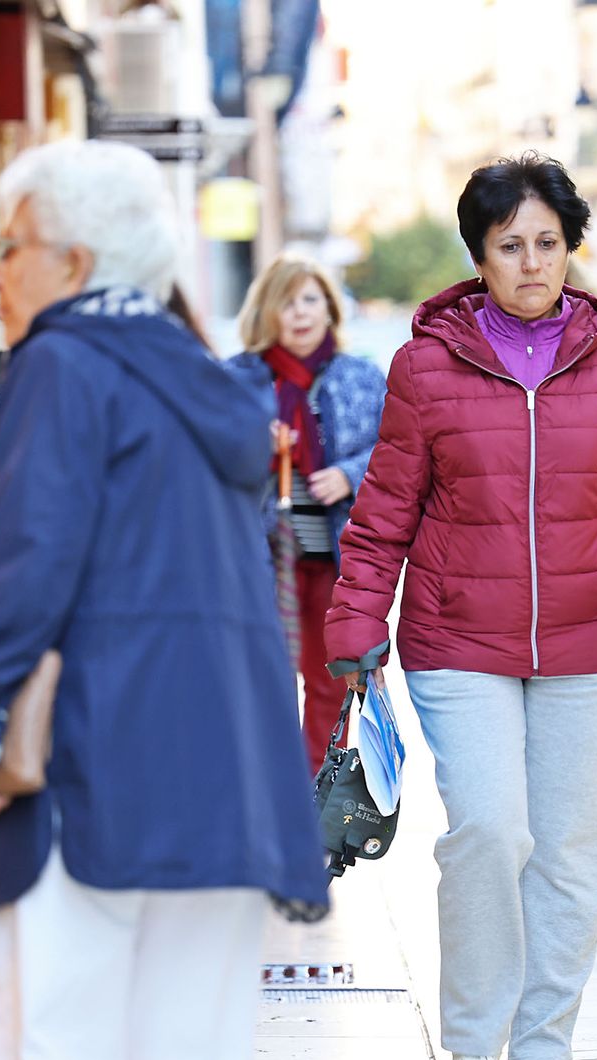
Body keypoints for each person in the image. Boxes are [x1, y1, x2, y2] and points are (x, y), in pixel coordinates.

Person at [324, 152, 597, 1060]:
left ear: (570, 250)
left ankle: (544, 1047)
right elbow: (384, 510)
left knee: (569, 858)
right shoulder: (425, 367)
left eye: (547, 243)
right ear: (479, 256)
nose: (531, 262)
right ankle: (476, 1047)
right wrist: (357, 626)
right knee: (488, 830)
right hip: (457, 640)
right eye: (510, 245)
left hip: (591, 646)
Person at [0, 140, 328, 1060]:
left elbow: (17, 568)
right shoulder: (199, 379)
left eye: (9, 245)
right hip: (227, 786)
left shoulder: (60, 367)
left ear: (75, 263)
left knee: (50, 1042)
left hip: (90, 773)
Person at [226, 254, 386, 774]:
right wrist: (255, 447)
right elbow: (206, 457)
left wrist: (350, 473)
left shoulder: (361, 377)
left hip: (333, 562)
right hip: (258, 561)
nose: (300, 312)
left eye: (310, 300)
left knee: (329, 683)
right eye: (287, 301)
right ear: (267, 311)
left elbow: (398, 450)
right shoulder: (237, 381)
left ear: (330, 309)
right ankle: (267, 791)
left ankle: (313, 793)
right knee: (259, 684)